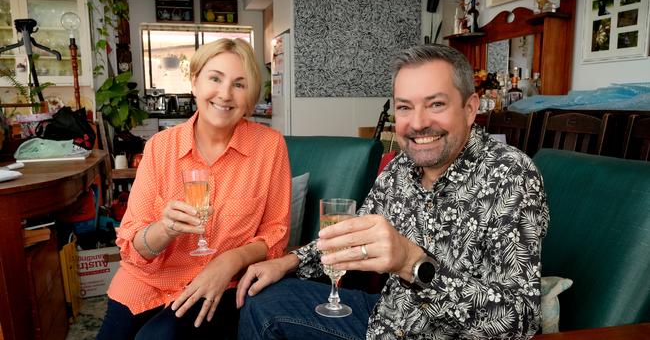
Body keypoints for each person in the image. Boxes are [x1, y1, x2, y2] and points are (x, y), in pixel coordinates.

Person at [235, 44, 549, 339]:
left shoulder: (511, 176)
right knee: (264, 299)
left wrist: (413, 265)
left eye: (436, 104)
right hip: (384, 318)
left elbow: (520, 317)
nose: (418, 123)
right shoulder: (400, 168)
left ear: (469, 109)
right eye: (404, 107)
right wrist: (286, 262)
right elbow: (352, 240)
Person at [97, 38, 291, 340]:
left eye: (239, 85)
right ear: (195, 83)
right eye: (215, 78)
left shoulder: (269, 146)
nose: (225, 94)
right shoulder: (160, 148)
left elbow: (276, 234)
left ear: (250, 96)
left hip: (219, 286)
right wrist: (165, 229)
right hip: (147, 281)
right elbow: (132, 247)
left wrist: (231, 260)